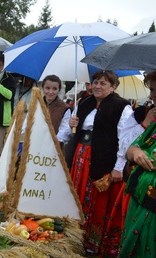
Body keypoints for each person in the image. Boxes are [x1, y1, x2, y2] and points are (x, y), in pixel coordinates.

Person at [67, 70, 132, 256]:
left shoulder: (121, 107)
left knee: (97, 200)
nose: (97, 86)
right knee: (77, 196)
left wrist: (118, 167)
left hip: (103, 160)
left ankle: (92, 243)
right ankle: (74, 235)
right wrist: (73, 121)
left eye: (103, 83)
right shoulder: (84, 103)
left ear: (113, 87)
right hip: (81, 157)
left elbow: (125, 139)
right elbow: (73, 132)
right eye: (95, 82)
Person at [121, 87, 156, 256]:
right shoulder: (153, 122)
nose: (152, 95)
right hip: (140, 201)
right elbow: (130, 147)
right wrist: (135, 152)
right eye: (152, 89)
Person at [41, 74, 71, 145]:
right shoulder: (36, 104)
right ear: (43, 88)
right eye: (47, 88)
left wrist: (52, 143)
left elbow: (64, 131)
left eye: (54, 89)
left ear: (59, 90)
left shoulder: (64, 108)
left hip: (54, 148)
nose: (51, 92)